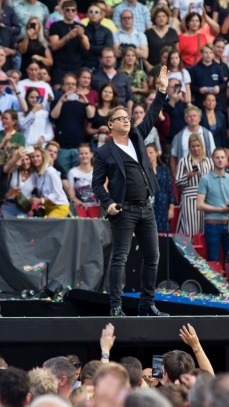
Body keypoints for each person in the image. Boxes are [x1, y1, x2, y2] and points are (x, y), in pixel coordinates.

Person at [92, 65, 169, 317]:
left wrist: (161, 90)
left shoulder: (137, 136)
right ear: (110, 124)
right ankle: (116, 306)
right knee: (120, 259)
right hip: (123, 210)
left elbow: (151, 115)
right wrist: (108, 202)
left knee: (153, 258)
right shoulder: (104, 152)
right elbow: (96, 184)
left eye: (127, 118)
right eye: (121, 118)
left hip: (146, 208)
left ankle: (147, 304)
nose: (127, 120)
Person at [196, 148, 229, 262]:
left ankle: (228, 280)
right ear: (212, 160)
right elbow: (199, 205)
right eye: (217, 157)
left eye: (222, 157)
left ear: (227, 160)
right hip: (212, 223)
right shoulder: (205, 179)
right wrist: (220, 210)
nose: (220, 160)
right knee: (213, 260)